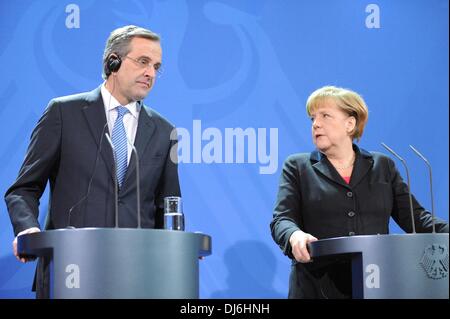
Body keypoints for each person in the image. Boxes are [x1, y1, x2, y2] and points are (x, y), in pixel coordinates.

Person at [4, 25, 181, 298]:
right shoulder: (63, 113)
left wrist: (176, 251)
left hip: (139, 277)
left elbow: (168, 205)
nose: (151, 73)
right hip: (70, 270)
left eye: (157, 66)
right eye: (143, 62)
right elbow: (24, 189)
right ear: (113, 61)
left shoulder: (163, 130)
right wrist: (29, 228)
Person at [270, 85, 449, 299]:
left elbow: (416, 218)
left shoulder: (382, 166)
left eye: (325, 116)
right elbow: (282, 219)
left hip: (375, 284)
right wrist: (294, 235)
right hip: (316, 286)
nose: (316, 124)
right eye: (312, 119)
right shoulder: (298, 166)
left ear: (350, 124)